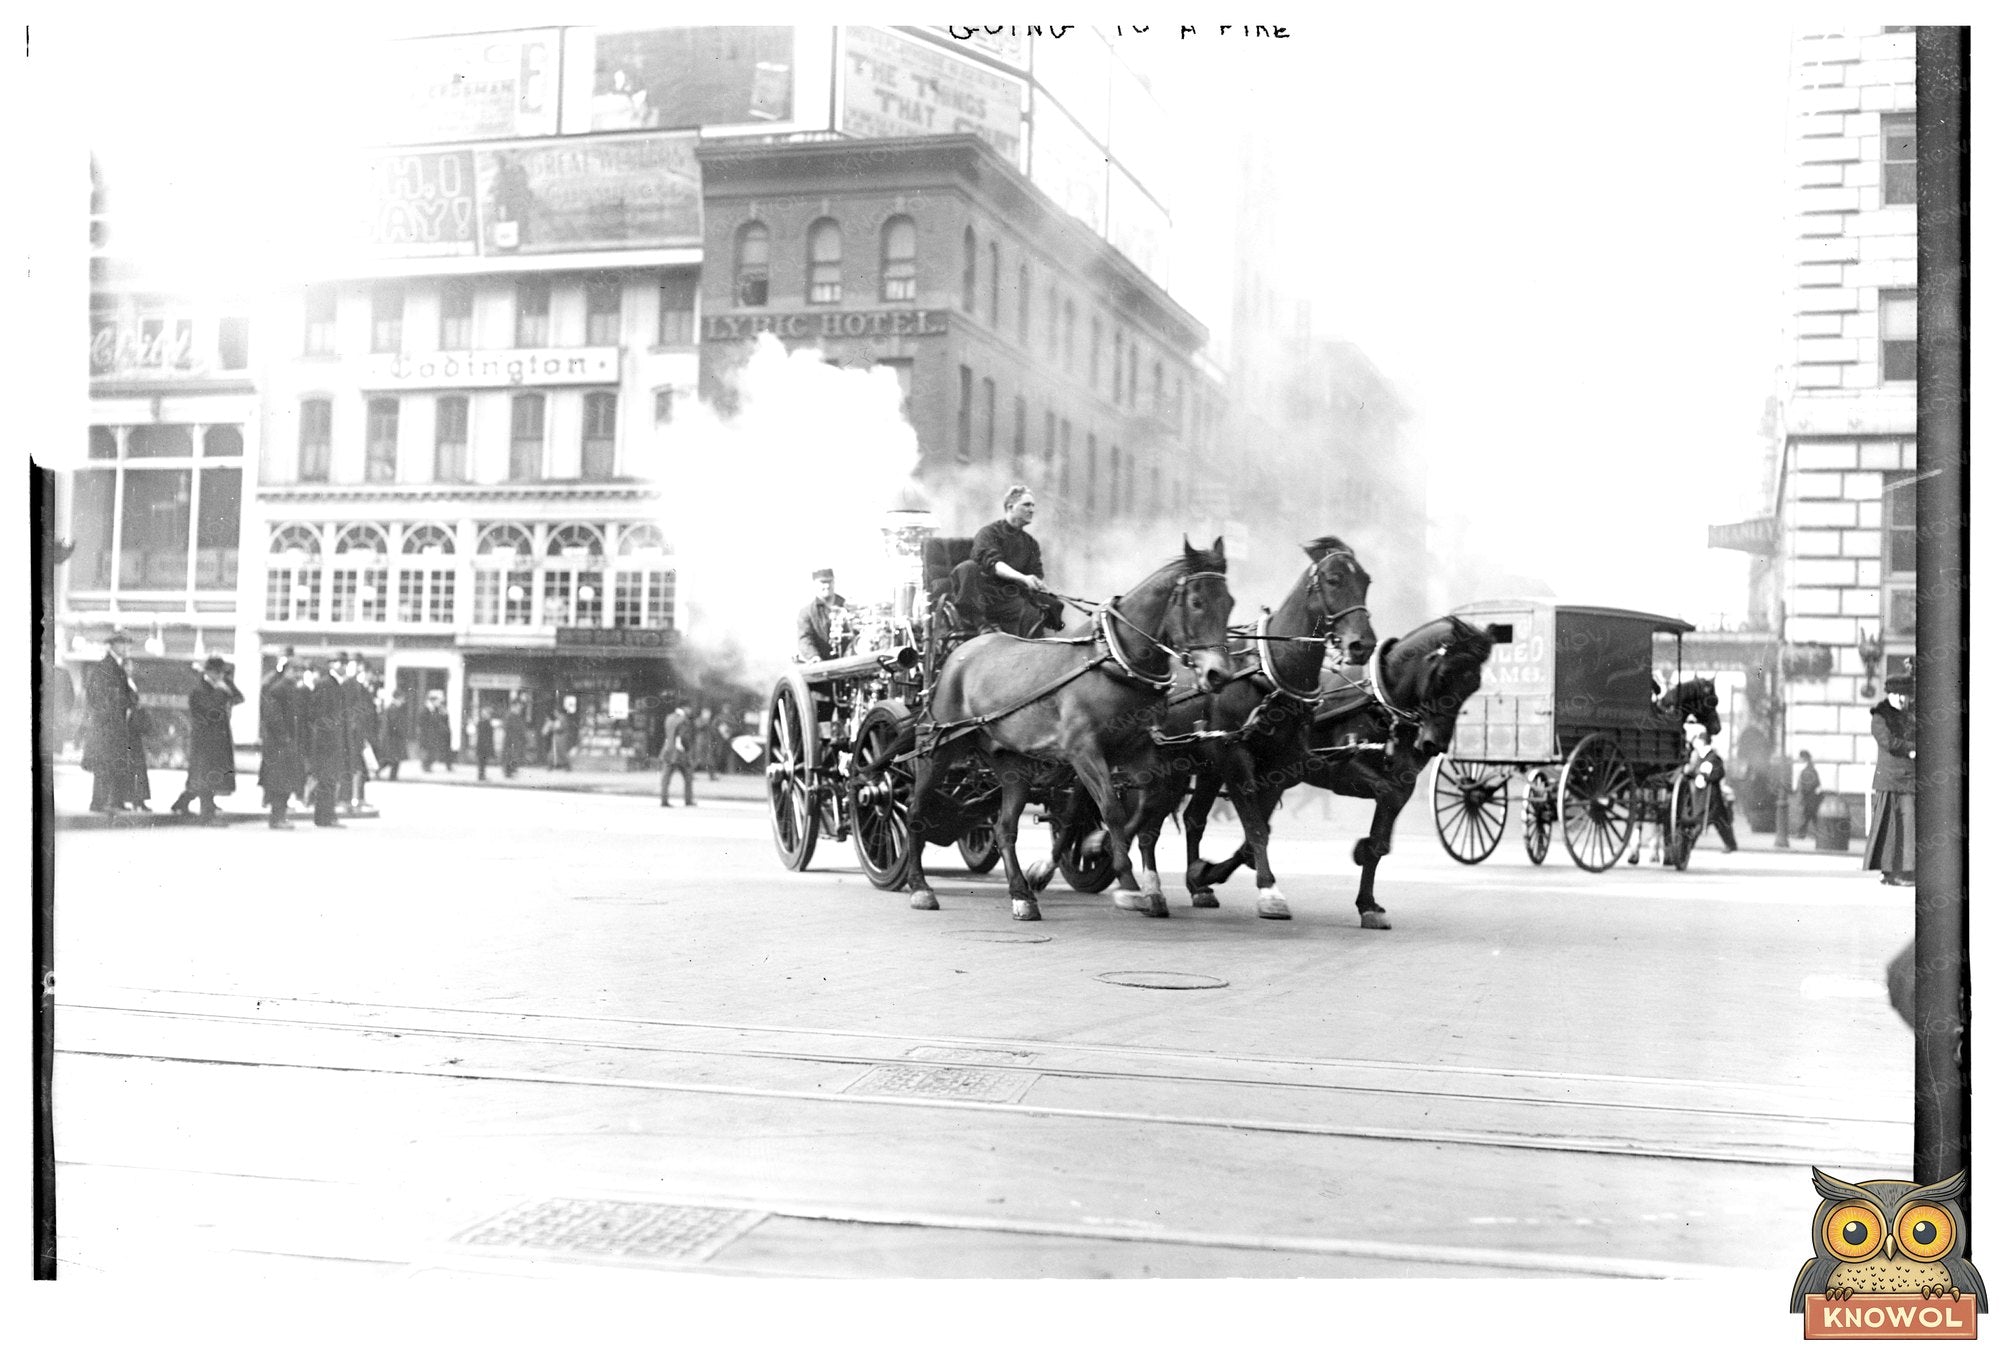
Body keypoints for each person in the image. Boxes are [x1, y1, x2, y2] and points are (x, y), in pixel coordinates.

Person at [970, 485, 1064, 638]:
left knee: (1052, 606)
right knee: (1027, 613)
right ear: (1010, 507)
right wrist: (1024, 578)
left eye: (1033, 505)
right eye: (1026, 505)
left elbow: (1035, 573)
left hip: (1015, 595)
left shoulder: (1030, 543)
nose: (1032, 510)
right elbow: (994, 565)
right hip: (988, 598)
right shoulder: (988, 533)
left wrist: (1038, 584)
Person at [169, 656, 242, 823]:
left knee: (204, 776)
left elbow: (238, 697)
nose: (221, 676)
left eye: (222, 673)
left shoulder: (221, 685)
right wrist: (220, 692)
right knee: (206, 776)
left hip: (219, 738)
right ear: (208, 672)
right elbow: (211, 712)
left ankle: (183, 804)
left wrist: (227, 687)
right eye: (217, 672)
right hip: (205, 739)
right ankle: (207, 815)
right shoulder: (200, 690)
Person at [82, 630, 145, 814]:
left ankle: (111, 801)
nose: (127, 648)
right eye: (123, 644)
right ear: (113, 645)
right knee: (104, 764)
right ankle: (100, 802)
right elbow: (101, 696)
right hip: (107, 724)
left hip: (112, 724)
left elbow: (124, 694)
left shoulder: (115, 666)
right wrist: (123, 704)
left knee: (112, 763)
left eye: (128, 644)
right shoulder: (107, 666)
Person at [1865, 664, 1917, 886]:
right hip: (1888, 780)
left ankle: (1906, 872)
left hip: (1909, 779)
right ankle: (1889, 872)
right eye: (1899, 695)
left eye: (1906, 696)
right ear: (1890, 694)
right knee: (1889, 828)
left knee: (1908, 826)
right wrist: (1911, 749)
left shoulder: (1910, 714)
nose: (1903, 700)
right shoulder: (1880, 716)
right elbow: (1887, 741)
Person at [257, 654, 306, 829]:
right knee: (279, 783)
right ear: (286, 671)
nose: (298, 674)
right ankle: (277, 818)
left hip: (288, 743)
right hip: (279, 745)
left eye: (301, 671)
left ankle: (280, 816)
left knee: (286, 782)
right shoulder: (278, 689)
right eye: (295, 670)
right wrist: (285, 738)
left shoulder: (293, 689)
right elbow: (273, 717)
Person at [305, 658, 352, 828]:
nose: (344, 667)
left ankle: (328, 815)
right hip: (326, 743)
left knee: (331, 780)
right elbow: (317, 713)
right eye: (341, 663)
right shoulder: (325, 684)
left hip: (333, 742)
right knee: (326, 780)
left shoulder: (336, 685)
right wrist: (327, 733)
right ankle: (324, 817)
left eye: (345, 664)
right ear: (333, 665)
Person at [1689, 730, 1737, 853]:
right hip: (1705, 795)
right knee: (1719, 822)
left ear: (1703, 742)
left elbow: (1719, 773)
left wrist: (1706, 777)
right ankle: (1731, 844)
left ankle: (1688, 845)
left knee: (1702, 820)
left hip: (1711, 796)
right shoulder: (1702, 756)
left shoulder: (1712, 757)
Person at [795, 568, 848, 662]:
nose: (827, 586)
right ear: (814, 584)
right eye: (822, 582)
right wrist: (813, 656)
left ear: (834, 582)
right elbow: (805, 639)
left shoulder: (848, 607)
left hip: (852, 661)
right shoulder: (806, 613)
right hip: (823, 664)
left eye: (830, 581)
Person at [658, 701, 695, 807]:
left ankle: (664, 800)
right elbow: (683, 737)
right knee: (688, 777)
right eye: (689, 708)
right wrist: (688, 749)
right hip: (680, 753)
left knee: (666, 779)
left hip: (668, 751)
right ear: (684, 707)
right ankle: (688, 800)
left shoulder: (669, 717)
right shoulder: (683, 720)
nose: (690, 711)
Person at [378, 689, 409, 782]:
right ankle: (391, 776)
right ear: (398, 698)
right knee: (393, 758)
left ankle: (390, 775)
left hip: (394, 738)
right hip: (393, 738)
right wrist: (402, 731)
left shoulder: (394, 708)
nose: (403, 700)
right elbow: (394, 724)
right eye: (402, 698)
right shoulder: (393, 708)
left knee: (392, 758)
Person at [418, 690, 452, 771]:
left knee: (433, 751)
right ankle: (426, 765)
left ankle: (428, 765)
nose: (439, 703)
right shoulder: (426, 709)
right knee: (428, 751)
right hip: (427, 735)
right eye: (437, 701)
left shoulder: (437, 709)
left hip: (435, 734)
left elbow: (441, 720)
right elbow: (423, 722)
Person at [1793, 750, 1823, 839]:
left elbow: (1809, 785)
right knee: (1811, 817)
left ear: (1804, 758)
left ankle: (1802, 834)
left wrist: (1803, 795)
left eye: (1800, 757)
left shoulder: (1808, 770)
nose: (1799, 759)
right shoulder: (1810, 769)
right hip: (1811, 797)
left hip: (1809, 798)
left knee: (1807, 816)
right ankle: (1816, 834)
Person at [502, 696, 529, 778]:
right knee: (510, 756)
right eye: (518, 706)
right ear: (514, 706)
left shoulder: (517, 716)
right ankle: (509, 772)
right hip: (511, 741)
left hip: (516, 741)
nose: (520, 708)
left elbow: (521, 728)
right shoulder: (510, 716)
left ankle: (512, 771)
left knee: (515, 756)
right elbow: (507, 728)